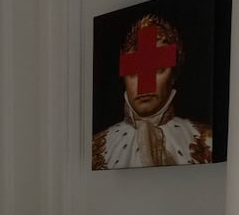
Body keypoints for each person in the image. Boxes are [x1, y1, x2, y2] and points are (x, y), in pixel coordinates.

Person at [91, 11, 214, 169]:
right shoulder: (94, 147)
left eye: (159, 69)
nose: (145, 85)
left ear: (173, 75)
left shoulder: (208, 141)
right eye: (134, 72)